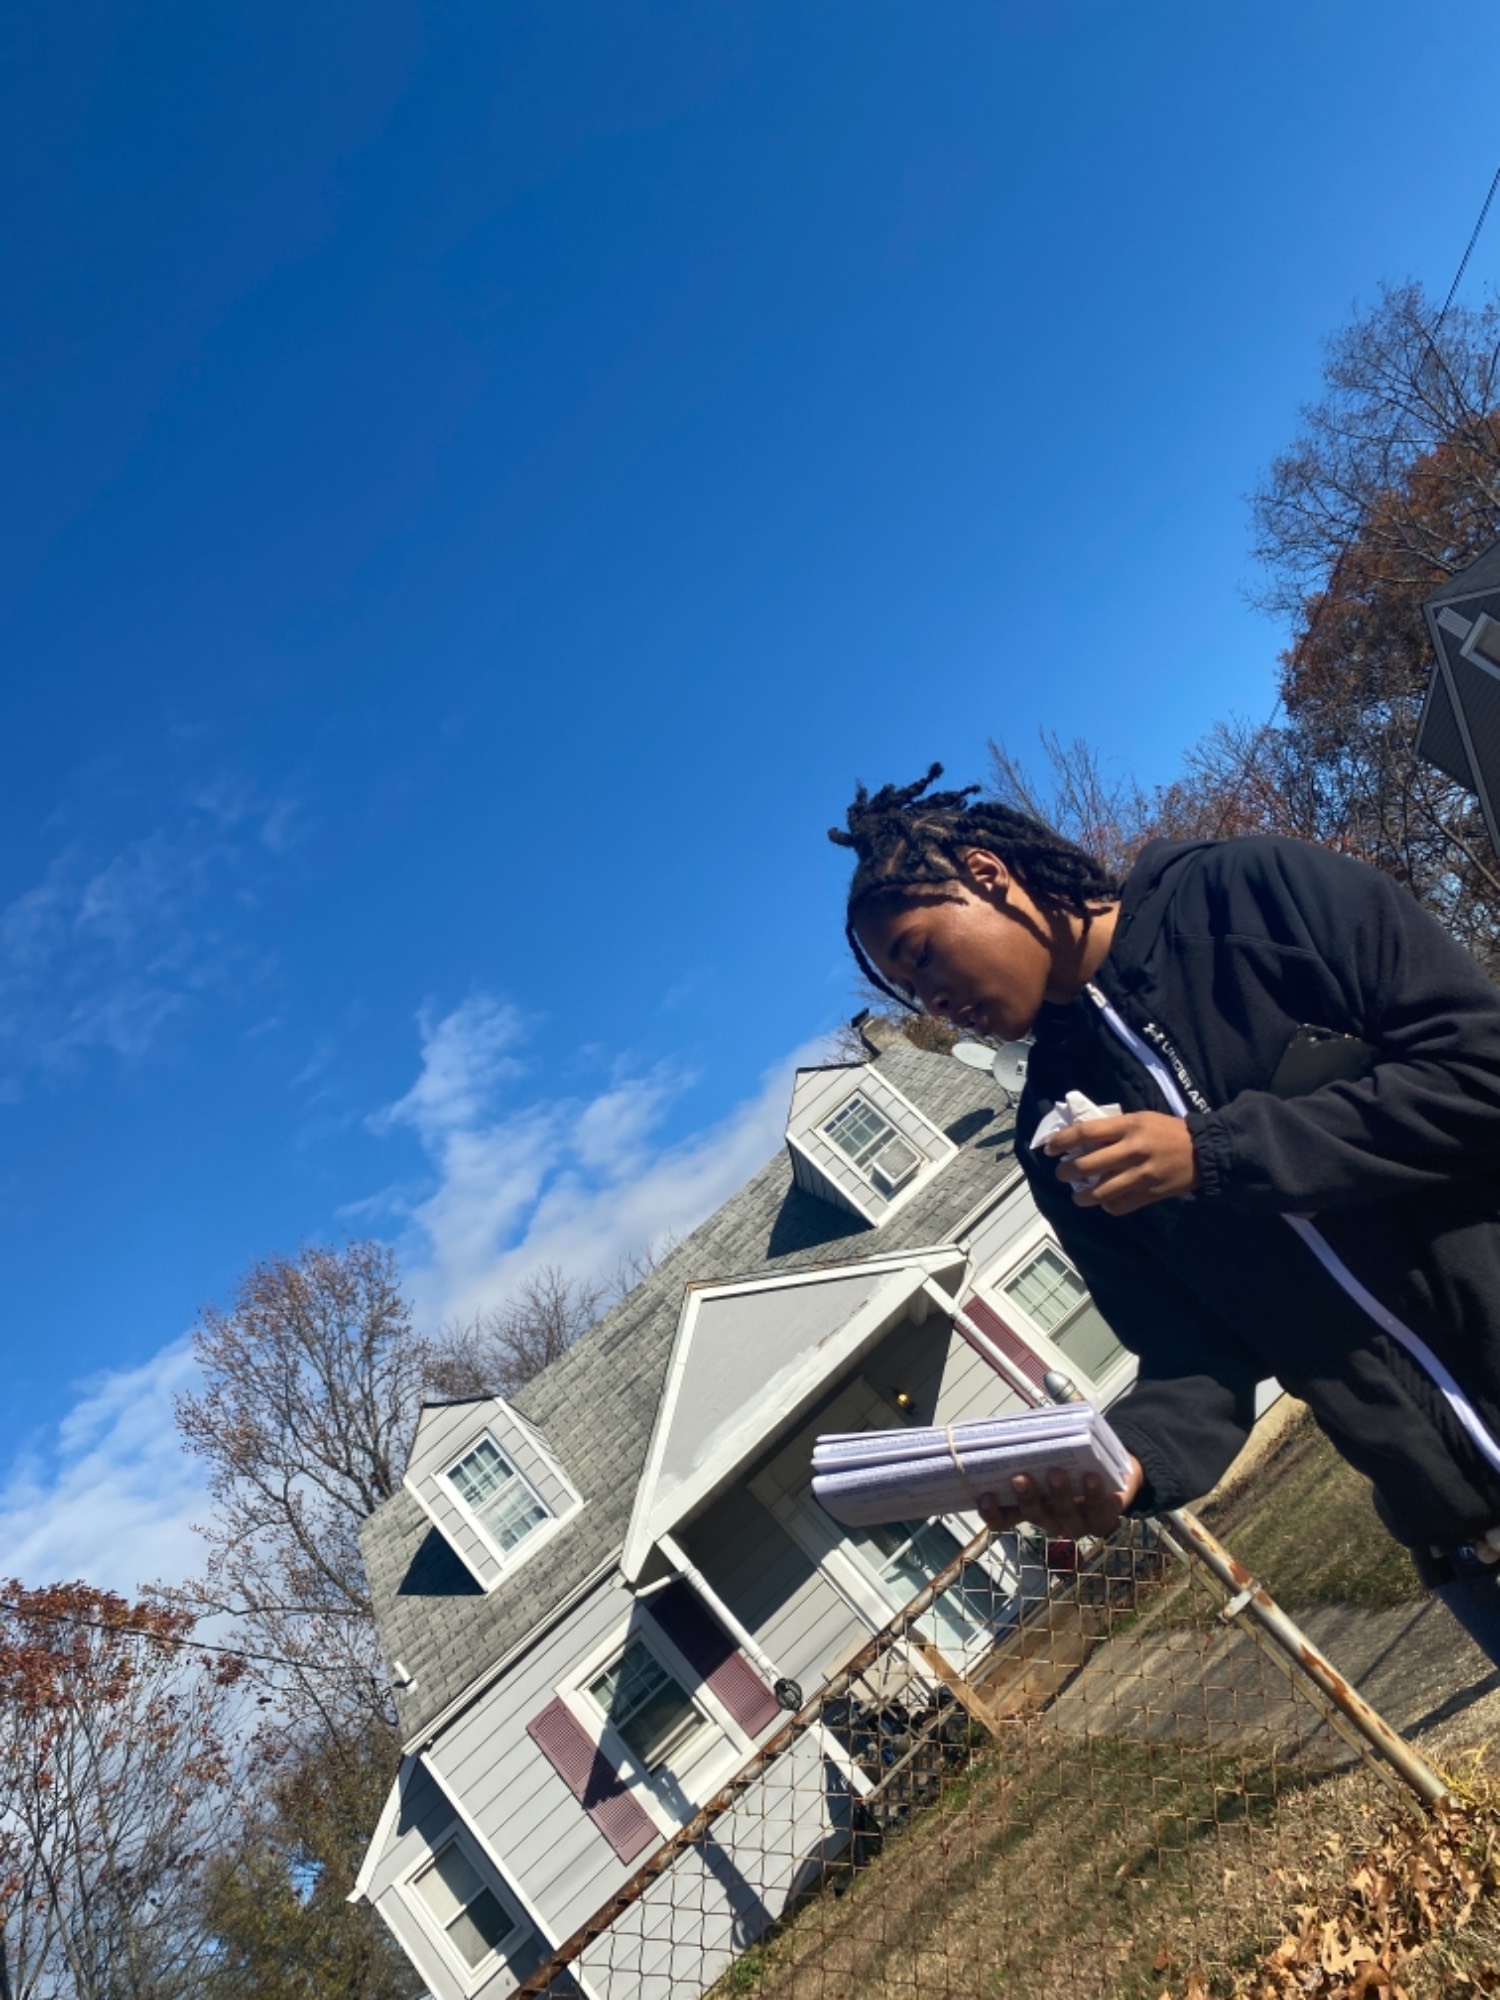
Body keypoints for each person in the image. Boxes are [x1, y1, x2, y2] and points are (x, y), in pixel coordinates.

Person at [829, 764, 1500, 1662]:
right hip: (1469, 1551)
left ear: (989, 875)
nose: (934, 1004)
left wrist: (1215, 1153)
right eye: (909, 993)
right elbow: (1192, 1358)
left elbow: (1480, 1072)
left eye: (920, 954)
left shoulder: (1254, 893)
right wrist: (1125, 1464)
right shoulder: (1053, 1133)